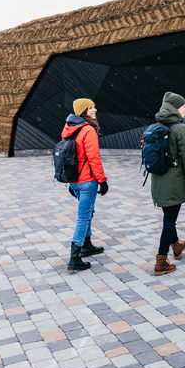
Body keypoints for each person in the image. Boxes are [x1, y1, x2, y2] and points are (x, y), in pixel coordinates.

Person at [151, 91, 185, 275]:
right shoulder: (180, 129)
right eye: (183, 106)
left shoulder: (157, 126)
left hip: (159, 181)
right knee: (169, 221)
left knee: (169, 216)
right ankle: (161, 261)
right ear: (176, 108)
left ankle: (177, 246)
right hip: (173, 183)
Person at [63, 98, 109, 271]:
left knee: (89, 211)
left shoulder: (69, 128)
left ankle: (87, 245)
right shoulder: (88, 130)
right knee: (83, 217)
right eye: (90, 108)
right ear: (83, 111)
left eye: (94, 107)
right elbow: (93, 158)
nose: (94, 110)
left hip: (74, 180)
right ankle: (75, 257)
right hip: (87, 180)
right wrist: (102, 180)